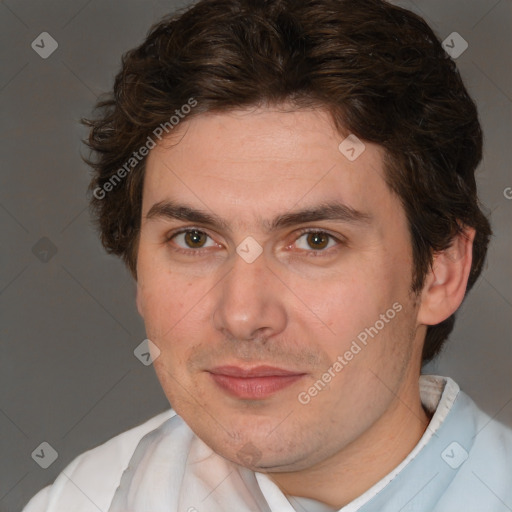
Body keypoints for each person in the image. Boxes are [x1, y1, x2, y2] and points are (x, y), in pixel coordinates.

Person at [23, 0, 512, 510]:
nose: (242, 315)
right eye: (194, 239)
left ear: (440, 273)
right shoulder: (88, 497)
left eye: (315, 240)